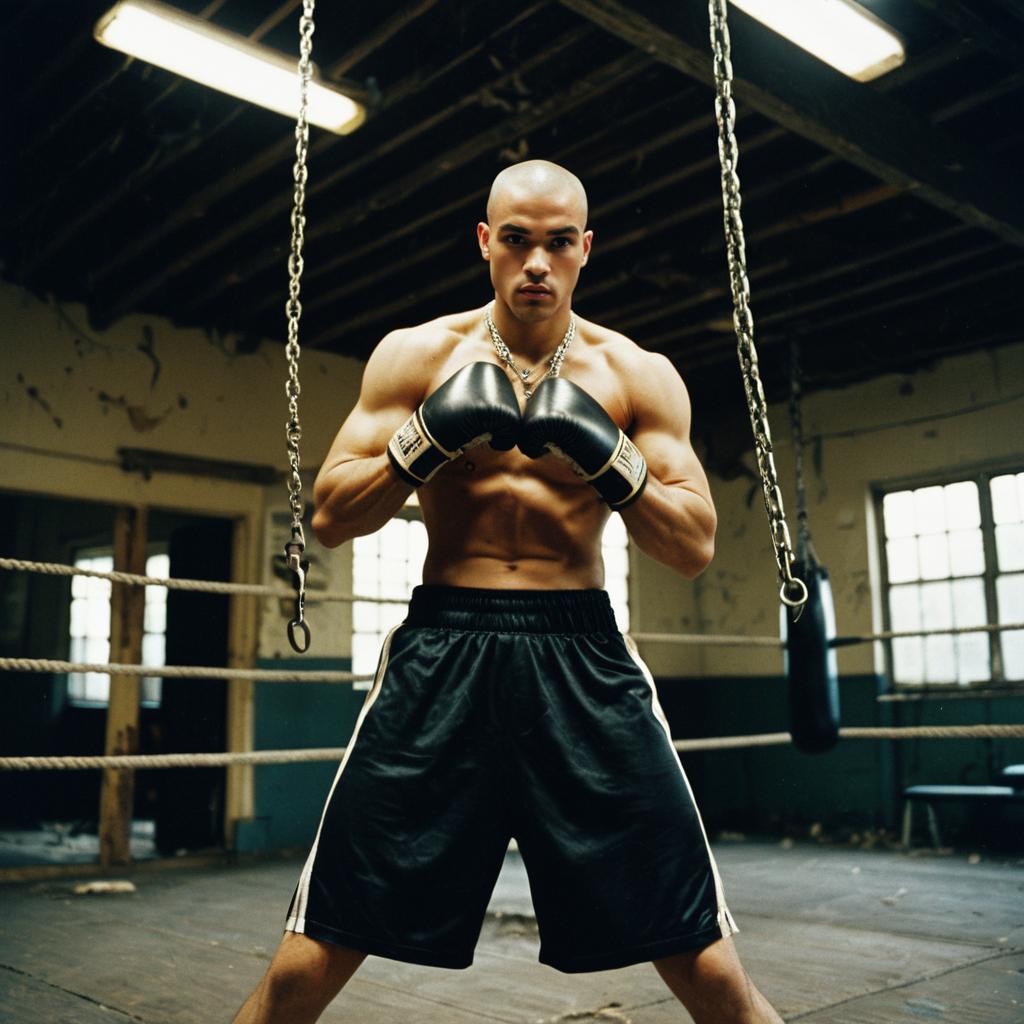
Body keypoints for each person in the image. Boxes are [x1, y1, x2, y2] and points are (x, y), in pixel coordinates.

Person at [233, 160, 782, 1024]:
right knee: (312, 953)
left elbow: (693, 546)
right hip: (443, 647)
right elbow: (332, 517)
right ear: (485, 242)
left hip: (582, 655)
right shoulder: (417, 355)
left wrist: (610, 457)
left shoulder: (637, 373)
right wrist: (426, 438)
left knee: (704, 960)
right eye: (517, 241)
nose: (537, 263)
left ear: (585, 248)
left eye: (558, 243)